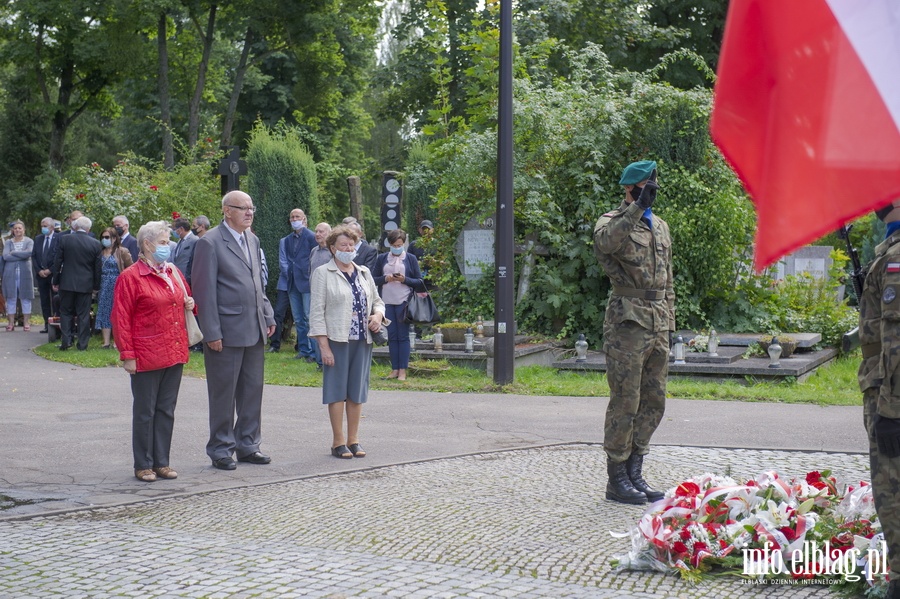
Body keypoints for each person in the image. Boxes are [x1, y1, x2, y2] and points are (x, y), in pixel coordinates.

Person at [592, 159, 673, 505]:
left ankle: (636, 471)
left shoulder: (662, 227)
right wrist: (636, 208)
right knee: (626, 399)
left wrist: (670, 320)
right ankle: (616, 477)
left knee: (654, 399)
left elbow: (668, 277)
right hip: (628, 322)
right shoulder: (612, 221)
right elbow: (606, 244)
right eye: (645, 186)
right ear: (632, 187)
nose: (651, 190)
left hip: (657, 320)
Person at [192, 190, 276, 470]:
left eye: (252, 208)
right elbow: (204, 292)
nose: (249, 213)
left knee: (253, 390)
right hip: (226, 331)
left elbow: (256, 283)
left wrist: (267, 313)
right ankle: (220, 448)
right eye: (243, 208)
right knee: (223, 393)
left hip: (254, 327)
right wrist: (212, 332)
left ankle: (249, 445)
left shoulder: (252, 239)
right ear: (227, 211)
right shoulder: (210, 242)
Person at [112, 220, 194, 483]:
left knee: (166, 409)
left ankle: (162, 462)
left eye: (168, 242)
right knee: (145, 411)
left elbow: (186, 304)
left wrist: (191, 303)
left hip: (174, 350)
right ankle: (143, 463)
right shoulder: (130, 277)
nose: (167, 247)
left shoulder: (173, 272)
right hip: (146, 353)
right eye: (162, 242)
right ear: (146, 244)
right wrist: (128, 355)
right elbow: (121, 318)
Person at [310, 225, 385, 459]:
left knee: (356, 391)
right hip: (337, 339)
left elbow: (378, 301)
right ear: (333, 248)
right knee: (336, 391)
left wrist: (378, 315)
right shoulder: (323, 273)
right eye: (343, 245)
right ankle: (338, 441)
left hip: (362, 340)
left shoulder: (364, 272)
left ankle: (354, 440)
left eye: (351, 244)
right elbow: (316, 313)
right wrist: (324, 347)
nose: (348, 248)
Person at [857, 199, 900, 596]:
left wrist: (890, 409)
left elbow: (895, 339)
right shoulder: (889, 250)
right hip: (886, 388)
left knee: (891, 491)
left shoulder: (897, 256)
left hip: (891, 397)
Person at [373, 229, 426, 381]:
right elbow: (373, 279)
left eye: (400, 244)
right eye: (395, 245)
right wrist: (386, 278)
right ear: (389, 244)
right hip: (386, 303)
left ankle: (403, 369)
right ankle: (394, 369)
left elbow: (419, 281)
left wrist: (404, 280)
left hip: (404, 302)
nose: (398, 247)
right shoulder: (382, 258)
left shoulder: (410, 258)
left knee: (403, 336)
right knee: (392, 336)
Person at [269, 209, 317, 358]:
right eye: (292, 217)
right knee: (298, 319)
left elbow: (314, 258)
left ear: (304, 219)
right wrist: (289, 273)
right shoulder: (287, 239)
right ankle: (303, 350)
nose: (295, 219)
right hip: (291, 283)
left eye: (297, 217)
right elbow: (286, 260)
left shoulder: (311, 237)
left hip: (306, 283)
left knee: (309, 318)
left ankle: (314, 351)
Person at [52, 216, 102, 350]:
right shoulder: (96, 244)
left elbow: (58, 262)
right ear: (88, 229)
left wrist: (55, 280)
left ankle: (66, 341)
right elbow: (98, 268)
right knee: (83, 314)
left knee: (66, 312)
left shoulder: (65, 240)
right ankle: (82, 344)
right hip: (85, 284)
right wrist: (96, 286)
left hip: (66, 282)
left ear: (74, 226)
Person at [95, 227, 133, 349]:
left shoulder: (122, 251)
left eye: (107, 237)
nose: (104, 240)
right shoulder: (99, 252)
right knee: (104, 311)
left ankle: (117, 341)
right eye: (103, 237)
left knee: (118, 312)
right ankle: (106, 342)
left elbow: (130, 269)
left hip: (118, 284)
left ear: (114, 238)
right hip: (103, 285)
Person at [2, 221, 35, 331]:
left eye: (19, 228)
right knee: (11, 297)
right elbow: (6, 257)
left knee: (25, 297)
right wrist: (21, 254)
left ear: (23, 230)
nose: (17, 230)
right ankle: (11, 323)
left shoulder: (29, 241)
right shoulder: (8, 242)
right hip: (10, 274)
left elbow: (29, 253)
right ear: (13, 230)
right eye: (15, 228)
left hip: (25, 273)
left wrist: (14, 253)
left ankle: (26, 322)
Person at [32, 217, 60, 333]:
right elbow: (34, 256)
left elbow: (59, 257)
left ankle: (56, 323)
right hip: (41, 274)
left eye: (46, 226)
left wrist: (50, 270)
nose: (43, 228)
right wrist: (39, 270)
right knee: (44, 300)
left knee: (55, 299)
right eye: (42, 226)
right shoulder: (38, 239)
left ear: (52, 227)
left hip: (53, 274)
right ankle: (46, 324)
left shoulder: (59, 238)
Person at [171, 217, 198, 285]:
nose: (174, 232)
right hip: (177, 278)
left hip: (187, 280)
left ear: (181, 229)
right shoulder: (180, 240)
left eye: (175, 229)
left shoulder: (195, 240)